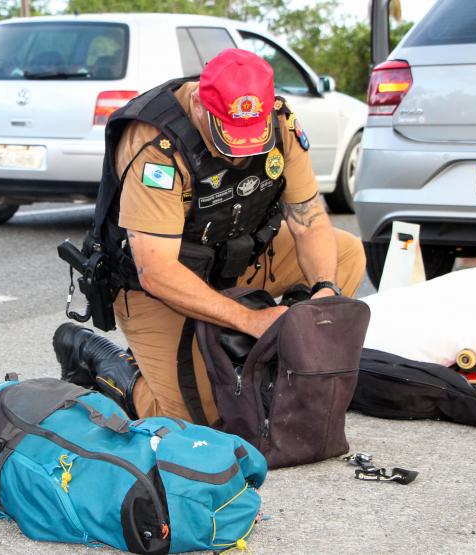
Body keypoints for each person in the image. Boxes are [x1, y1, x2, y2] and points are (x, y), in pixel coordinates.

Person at [55, 49, 366, 424]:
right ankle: (102, 358)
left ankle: (270, 365)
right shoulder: (156, 146)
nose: (240, 154)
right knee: (202, 421)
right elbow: (156, 270)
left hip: (234, 259)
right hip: (157, 286)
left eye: (253, 137)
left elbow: (309, 219)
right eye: (230, 138)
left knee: (345, 252)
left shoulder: (281, 122)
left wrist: (324, 292)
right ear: (201, 105)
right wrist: (250, 321)